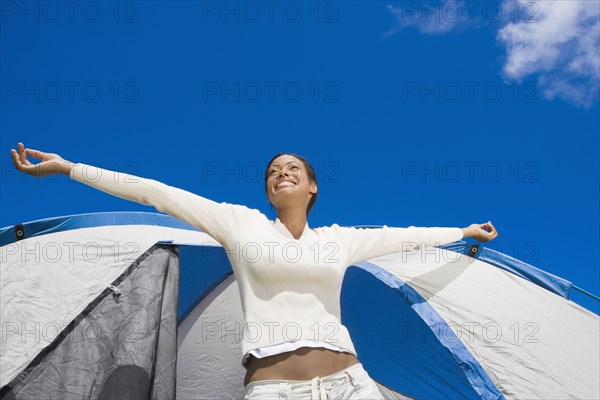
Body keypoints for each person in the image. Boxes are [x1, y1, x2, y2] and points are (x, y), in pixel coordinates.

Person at [10, 142, 498, 400]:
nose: (282, 173)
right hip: (271, 388)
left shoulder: (340, 241)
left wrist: (463, 230)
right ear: (268, 192)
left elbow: (405, 234)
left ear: (312, 188)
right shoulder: (239, 225)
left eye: (293, 170)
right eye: (273, 172)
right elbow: (155, 191)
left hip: (350, 384)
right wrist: (71, 168)